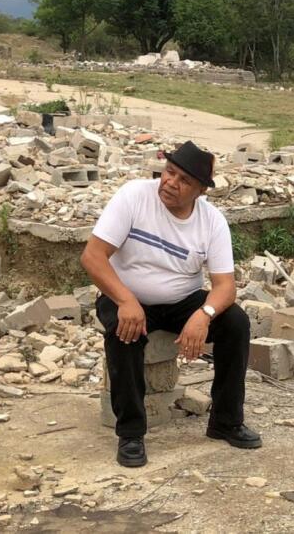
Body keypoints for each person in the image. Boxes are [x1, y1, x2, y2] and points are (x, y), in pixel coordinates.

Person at [81, 140, 261, 468]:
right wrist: (125, 299)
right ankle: (131, 433)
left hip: (182, 300)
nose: (170, 183)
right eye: (169, 172)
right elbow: (93, 257)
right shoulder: (134, 196)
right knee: (125, 332)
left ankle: (226, 421)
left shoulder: (212, 221)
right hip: (124, 294)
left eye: (183, 181)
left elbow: (225, 286)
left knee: (235, 322)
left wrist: (204, 315)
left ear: (201, 191)